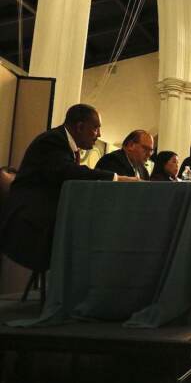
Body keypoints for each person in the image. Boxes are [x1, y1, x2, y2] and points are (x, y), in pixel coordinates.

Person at [0, 104, 138, 271]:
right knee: (95, 235)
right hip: (30, 222)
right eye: (95, 128)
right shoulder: (52, 141)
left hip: (46, 216)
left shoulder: (64, 143)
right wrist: (116, 178)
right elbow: (68, 172)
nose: (99, 134)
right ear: (80, 127)